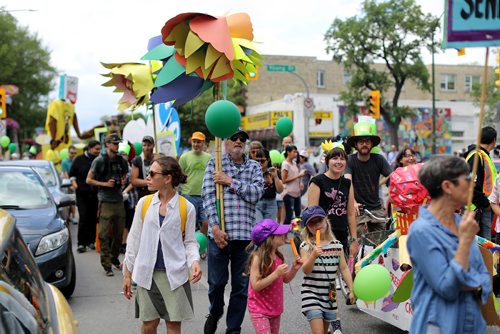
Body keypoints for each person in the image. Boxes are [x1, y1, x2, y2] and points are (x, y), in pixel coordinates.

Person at [407, 155, 492, 333]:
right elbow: (447, 287)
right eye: (467, 179)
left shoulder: (462, 223)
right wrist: (465, 241)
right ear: (447, 186)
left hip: (472, 322)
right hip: (440, 324)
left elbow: (485, 279)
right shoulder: (421, 231)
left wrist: (469, 282)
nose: (472, 185)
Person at [123, 156, 201, 334]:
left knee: (173, 326)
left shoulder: (186, 208)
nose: (147, 177)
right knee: (149, 325)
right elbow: (134, 240)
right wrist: (127, 274)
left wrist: (194, 261)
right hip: (146, 275)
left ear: (167, 178)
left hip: (174, 276)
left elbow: (189, 242)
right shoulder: (144, 203)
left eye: (152, 173)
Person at [202, 128, 264, 334]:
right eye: (234, 138)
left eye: (242, 139)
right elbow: (208, 197)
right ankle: (215, 311)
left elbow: (257, 194)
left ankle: (233, 328)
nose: (238, 141)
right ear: (226, 142)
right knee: (216, 282)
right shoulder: (215, 164)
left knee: (240, 287)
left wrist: (230, 182)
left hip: (245, 237)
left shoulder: (254, 167)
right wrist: (215, 228)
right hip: (219, 235)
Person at [299, 206, 355, 334]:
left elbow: (344, 269)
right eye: (312, 223)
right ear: (307, 227)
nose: (317, 225)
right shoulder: (306, 246)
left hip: (330, 295)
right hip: (311, 293)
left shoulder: (337, 245)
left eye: (319, 220)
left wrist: (351, 290)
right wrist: (313, 256)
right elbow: (305, 270)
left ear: (326, 220)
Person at [247, 219, 302, 334]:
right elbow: (256, 286)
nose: (283, 234)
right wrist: (275, 273)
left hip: (275, 308)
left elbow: (285, 279)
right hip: (259, 309)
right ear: (269, 239)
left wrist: (294, 269)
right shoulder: (257, 258)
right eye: (279, 233)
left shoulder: (278, 256)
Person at [86, 133, 129, 276]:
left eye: (118, 143)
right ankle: (106, 265)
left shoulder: (121, 161)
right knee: (103, 234)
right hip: (105, 201)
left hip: (118, 200)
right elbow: (89, 180)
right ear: (107, 144)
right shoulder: (99, 160)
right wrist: (105, 184)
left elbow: (125, 175)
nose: (117, 146)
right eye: (114, 143)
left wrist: (122, 180)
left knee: (118, 235)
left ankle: (114, 258)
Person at [308, 146, 358, 256]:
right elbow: (312, 215)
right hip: (322, 237)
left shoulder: (347, 183)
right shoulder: (317, 181)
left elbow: (350, 214)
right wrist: (316, 240)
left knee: (342, 271)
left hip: (342, 236)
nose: (339, 162)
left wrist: (354, 240)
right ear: (327, 161)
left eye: (342, 159)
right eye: (335, 158)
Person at [344, 122, 392, 237]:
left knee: (382, 240)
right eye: (361, 141)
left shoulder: (379, 159)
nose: (364, 144)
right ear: (356, 144)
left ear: (371, 144)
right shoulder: (350, 160)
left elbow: (392, 178)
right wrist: (354, 203)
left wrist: (395, 193)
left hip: (376, 208)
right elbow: (348, 182)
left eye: (367, 141)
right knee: (357, 240)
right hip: (357, 208)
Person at [464, 126, 497, 240]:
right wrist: (487, 205)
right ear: (493, 140)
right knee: (483, 247)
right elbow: (471, 186)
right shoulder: (477, 156)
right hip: (478, 209)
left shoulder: (483, 156)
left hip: (482, 208)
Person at [69, 140, 101, 253]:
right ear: (90, 148)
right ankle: (81, 243)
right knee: (83, 217)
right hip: (82, 194)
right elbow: (72, 174)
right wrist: (75, 185)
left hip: (95, 194)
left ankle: (91, 241)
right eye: (96, 149)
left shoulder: (98, 160)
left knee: (93, 217)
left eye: (99, 149)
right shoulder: (78, 159)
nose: (98, 151)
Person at [179, 131, 212, 236]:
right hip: (188, 194)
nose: (196, 144)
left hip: (205, 196)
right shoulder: (184, 157)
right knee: (190, 224)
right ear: (191, 142)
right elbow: (179, 174)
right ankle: (189, 246)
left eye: (199, 142)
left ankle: (201, 245)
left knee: (206, 223)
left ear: (203, 143)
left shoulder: (209, 158)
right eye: (194, 141)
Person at [253, 149, 283, 222]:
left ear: (268, 160)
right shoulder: (253, 171)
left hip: (271, 204)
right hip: (257, 203)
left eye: (262, 161)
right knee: (259, 228)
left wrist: (275, 177)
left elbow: (280, 190)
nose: (259, 163)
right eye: (257, 161)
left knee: (269, 229)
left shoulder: (273, 171)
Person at [281, 145, 305, 225]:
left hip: (297, 193)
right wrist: (298, 176)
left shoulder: (294, 163)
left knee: (298, 215)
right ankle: (284, 233)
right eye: (294, 152)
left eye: (296, 152)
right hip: (288, 194)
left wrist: (300, 182)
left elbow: (298, 174)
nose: (295, 154)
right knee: (289, 216)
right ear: (288, 152)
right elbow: (284, 180)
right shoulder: (285, 164)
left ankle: (296, 232)